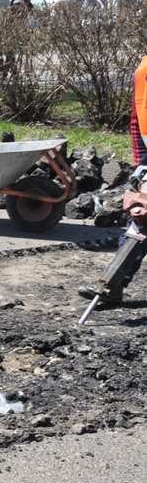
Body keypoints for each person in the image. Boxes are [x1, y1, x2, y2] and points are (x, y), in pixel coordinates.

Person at [79, 54, 147, 305]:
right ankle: (113, 285)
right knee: (140, 219)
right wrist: (142, 161)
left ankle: (112, 285)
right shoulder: (144, 67)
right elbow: (137, 117)